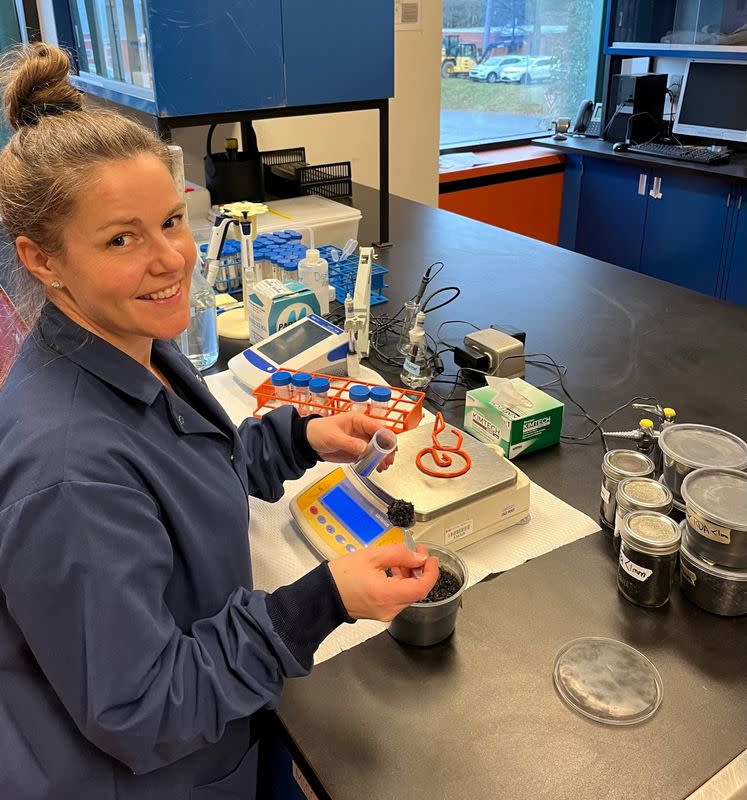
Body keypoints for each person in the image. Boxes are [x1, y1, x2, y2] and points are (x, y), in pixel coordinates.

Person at [0, 44, 438, 800]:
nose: (172, 257)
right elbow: (141, 709)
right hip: (162, 771)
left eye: (171, 219)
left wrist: (297, 438)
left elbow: (177, 474)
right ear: (42, 259)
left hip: (223, 726)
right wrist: (324, 599)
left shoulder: (129, 346)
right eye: (120, 238)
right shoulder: (65, 471)